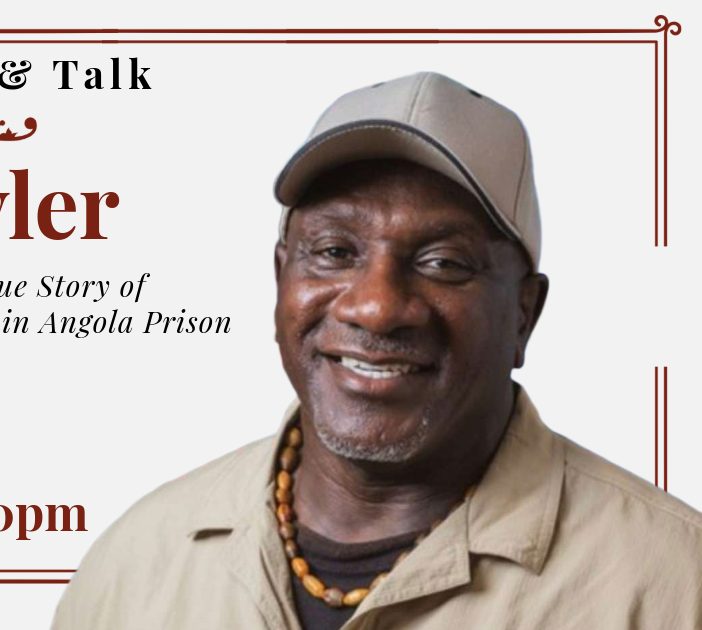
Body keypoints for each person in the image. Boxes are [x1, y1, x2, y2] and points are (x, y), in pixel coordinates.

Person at [51, 72, 702, 629]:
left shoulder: (673, 583)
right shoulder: (137, 563)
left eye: (444, 262)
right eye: (335, 252)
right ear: (282, 278)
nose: (377, 306)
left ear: (525, 314)